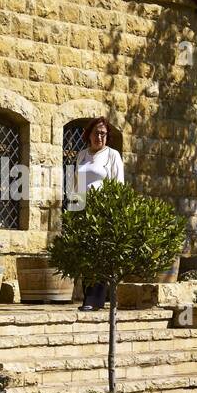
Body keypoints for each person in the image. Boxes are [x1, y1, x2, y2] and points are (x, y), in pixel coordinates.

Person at [74, 117, 124, 311]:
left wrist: (114, 212)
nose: (100, 137)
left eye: (103, 134)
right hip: (83, 211)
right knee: (86, 255)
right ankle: (88, 298)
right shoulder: (82, 155)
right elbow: (76, 185)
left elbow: (118, 184)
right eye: (96, 133)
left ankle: (95, 300)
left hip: (103, 211)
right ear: (89, 135)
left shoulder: (112, 155)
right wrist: (73, 210)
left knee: (100, 255)